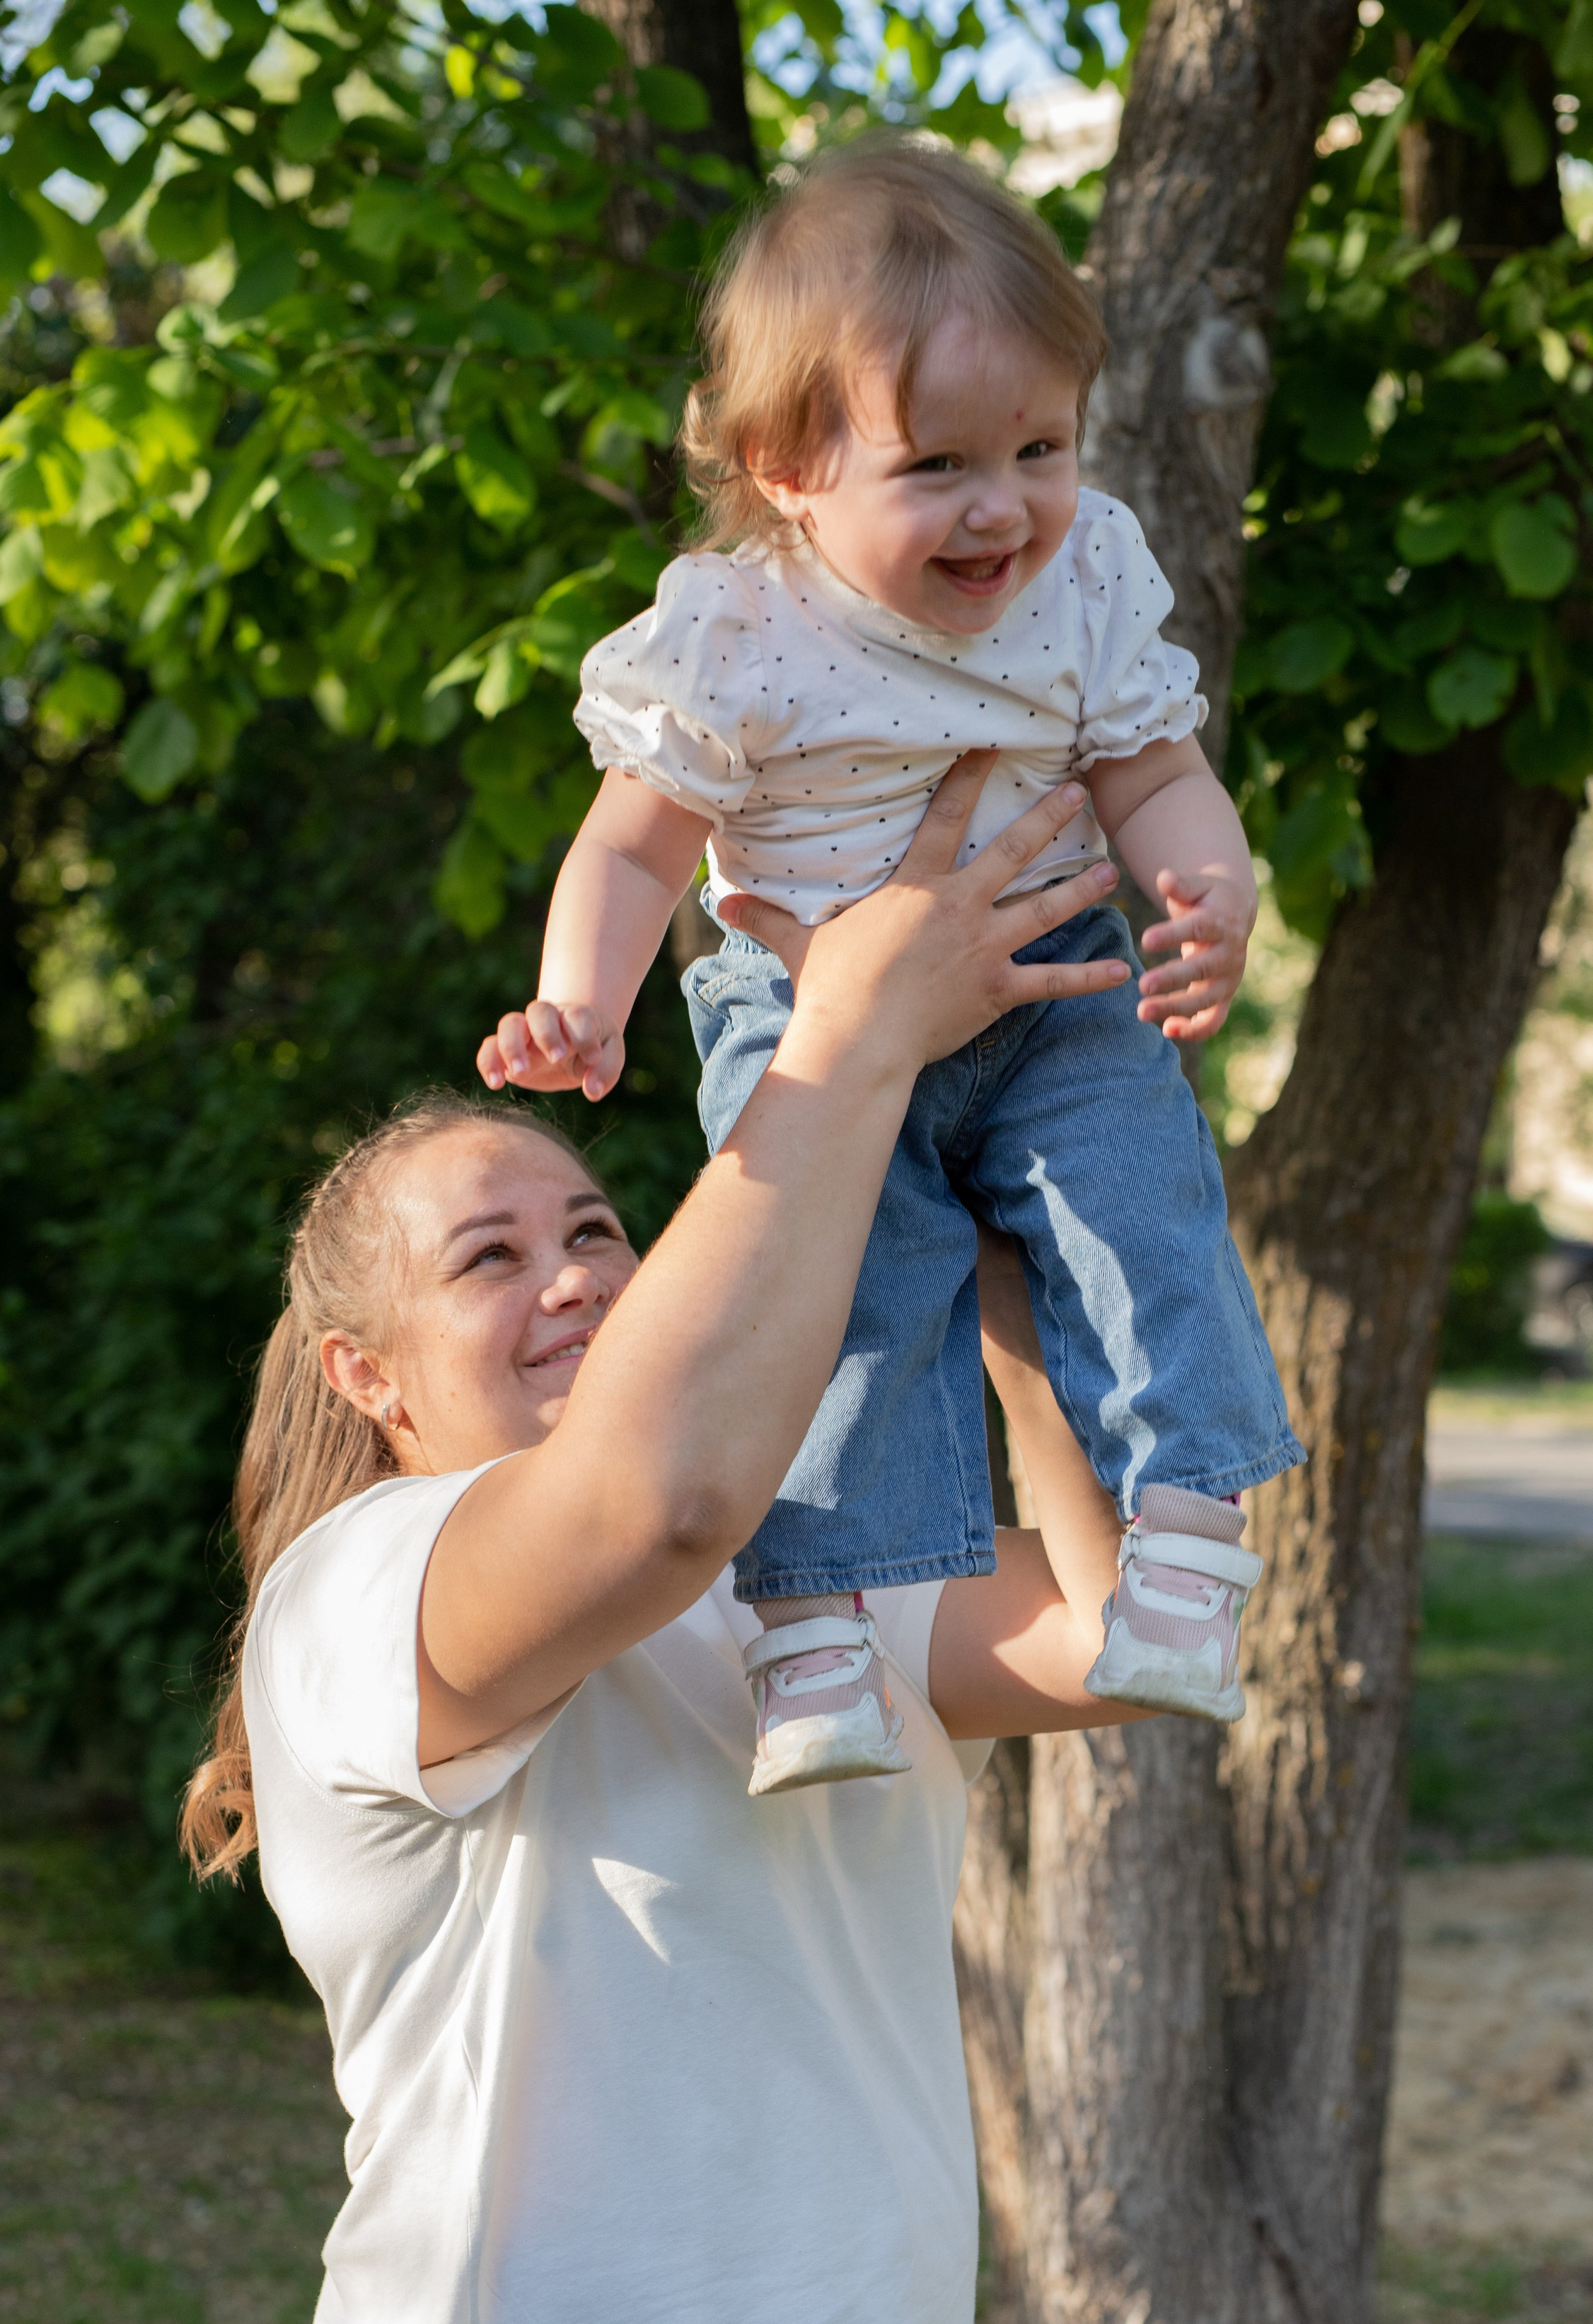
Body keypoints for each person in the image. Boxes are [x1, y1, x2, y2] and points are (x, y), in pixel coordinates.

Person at [182, 766, 1157, 2324]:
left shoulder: (797, 1567)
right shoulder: (362, 1593)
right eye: (490, 1259)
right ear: (366, 1382)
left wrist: (988, 1256)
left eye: (598, 1224)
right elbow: (655, 1505)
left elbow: (1122, 1634)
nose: (576, 1276)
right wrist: (848, 1047)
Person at [477, 138, 1303, 1799]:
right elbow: (634, 846)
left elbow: (1148, 770)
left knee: (1142, 1211)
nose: (1002, 502)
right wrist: (585, 996)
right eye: (935, 464)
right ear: (788, 464)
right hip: (801, 1017)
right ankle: (815, 1635)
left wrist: (1207, 890)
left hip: (1052, 983)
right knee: (844, 1308)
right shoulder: (734, 631)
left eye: (1039, 445)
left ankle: (1189, 1549)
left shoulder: (1082, 581)